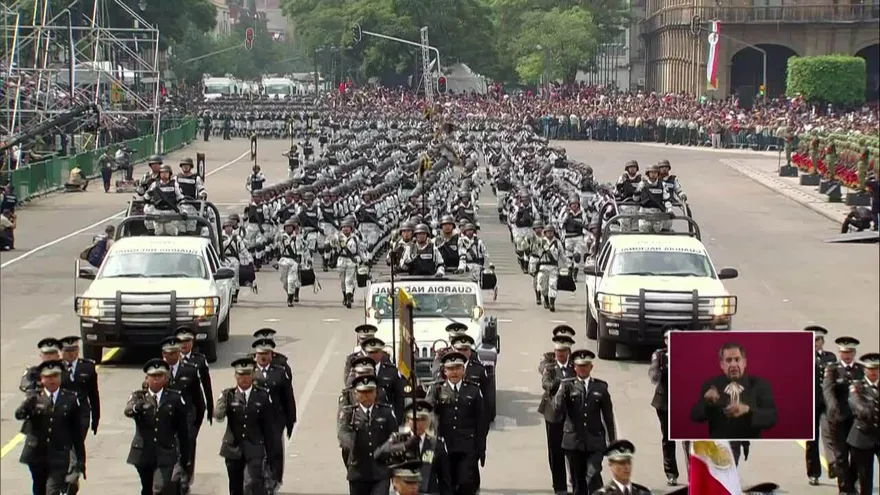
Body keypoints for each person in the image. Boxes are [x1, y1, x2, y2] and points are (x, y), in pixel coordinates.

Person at [15, 360, 86, 495]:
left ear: (60, 377)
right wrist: (27, 404)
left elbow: (76, 433)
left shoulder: (70, 399)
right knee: (39, 489)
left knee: (52, 491)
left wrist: (80, 461)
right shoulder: (35, 398)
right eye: (48, 377)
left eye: (55, 376)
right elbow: (19, 415)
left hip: (59, 455)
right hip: (37, 455)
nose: (52, 380)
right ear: (41, 379)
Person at [552, 349, 617, 495]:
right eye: (579, 366)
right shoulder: (568, 386)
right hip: (573, 442)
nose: (582, 369)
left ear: (591, 367)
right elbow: (557, 410)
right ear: (574, 367)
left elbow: (608, 417)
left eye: (585, 365)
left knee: (593, 475)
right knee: (577, 484)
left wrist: (612, 442)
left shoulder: (601, 387)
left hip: (595, 441)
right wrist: (561, 391)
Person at [123, 358, 190, 495]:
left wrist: (184, 457)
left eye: (160, 376)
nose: (156, 380)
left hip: (165, 452)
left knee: (159, 488)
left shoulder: (174, 398)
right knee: (147, 489)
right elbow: (128, 410)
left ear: (165, 378)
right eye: (153, 376)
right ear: (146, 379)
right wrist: (138, 407)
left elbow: (182, 430)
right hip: (143, 453)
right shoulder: (139, 396)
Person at [689, 342, 778, 444]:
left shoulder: (760, 385)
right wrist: (706, 401)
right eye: (728, 360)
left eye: (737, 359)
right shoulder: (711, 385)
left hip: (751, 446)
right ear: (722, 365)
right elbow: (695, 416)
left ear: (744, 363)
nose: (733, 364)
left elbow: (772, 418)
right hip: (720, 448)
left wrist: (747, 410)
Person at [214, 357, 276, 495]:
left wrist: (271, 454)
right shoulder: (228, 395)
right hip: (233, 448)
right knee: (235, 488)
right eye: (241, 374)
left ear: (253, 375)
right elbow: (218, 416)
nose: (244, 378)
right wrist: (222, 403)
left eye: (247, 374)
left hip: (254, 447)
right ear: (235, 376)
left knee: (252, 484)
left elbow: (268, 427)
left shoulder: (262, 396)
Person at [426, 352, 486, 495]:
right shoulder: (436, 389)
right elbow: (428, 417)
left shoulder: (473, 390)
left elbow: (481, 422)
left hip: (466, 447)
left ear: (463, 370)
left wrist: (480, 448)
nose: (454, 372)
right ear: (445, 371)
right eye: (450, 369)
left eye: (457, 368)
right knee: (447, 485)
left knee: (466, 483)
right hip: (444, 447)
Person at [374, 399, 453, 495]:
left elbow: (445, 479)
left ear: (428, 421)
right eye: (415, 420)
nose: (418, 424)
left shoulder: (436, 444)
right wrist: (405, 445)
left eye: (422, 419)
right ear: (408, 420)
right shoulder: (398, 438)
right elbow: (379, 454)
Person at [337, 374, 397, 495]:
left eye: (370, 391)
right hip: (358, 470)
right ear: (356, 394)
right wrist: (354, 443)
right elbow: (342, 433)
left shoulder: (386, 412)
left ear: (376, 393)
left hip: (380, 470)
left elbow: (394, 435)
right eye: (363, 392)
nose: (366, 395)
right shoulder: (350, 413)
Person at [159, 336, 206, 489]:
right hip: (166, 419)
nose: (171, 357)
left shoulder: (189, 370)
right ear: (162, 355)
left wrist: (196, 424)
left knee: (187, 447)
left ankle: (186, 474)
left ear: (179, 353)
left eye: (174, 353)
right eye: (168, 354)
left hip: (186, 417)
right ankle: (172, 478)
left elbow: (199, 401)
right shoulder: (158, 373)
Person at [252, 338, 297, 489]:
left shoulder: (279, 372)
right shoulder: (249, 373)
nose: (263, 357)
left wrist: (291, 420)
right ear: (255, 356)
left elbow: (288, 397)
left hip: (275, 420)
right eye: (260, 354)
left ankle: (275, 478)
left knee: (275, 451)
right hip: (255, 421)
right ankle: (259, 479)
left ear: (272, 355)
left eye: (266, 354)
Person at [823, 336, 864, 494]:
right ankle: (844, 488)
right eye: (843, 352)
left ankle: (852, 483)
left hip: (856, 420)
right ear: (839, 353)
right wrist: (832, 406)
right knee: (840, 456)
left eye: (849, 352)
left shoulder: (860, 370)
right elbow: (827, 390)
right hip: (838, 418)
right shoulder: (832, 369)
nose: (846, 355)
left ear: (854, 353)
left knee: (855, 455)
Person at [539, 334, 575, 495]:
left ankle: (575, 482)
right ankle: (559, 487)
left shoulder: (575, 365)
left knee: (574, 450)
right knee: (555, 452)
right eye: (558, 351)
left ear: (569, 351)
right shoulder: (550, 367)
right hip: (553, 414)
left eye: (564, 350)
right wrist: (560, 383)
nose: (561, 354)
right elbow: (545, 383)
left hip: (573, 413)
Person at [804, 325, 837, 485]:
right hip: (809, 404)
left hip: (826, 403)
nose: (814, 342)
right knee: (812, 440)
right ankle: (813, 472)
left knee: (829, 433)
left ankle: (833, 464)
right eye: (811, 339)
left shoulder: (830, 357)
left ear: (822, 341)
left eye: (817, 339)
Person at [847, 352, 880, 495]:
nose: (873, 372)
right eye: (870, 369)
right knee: (865, 476)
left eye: (876, 369)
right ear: (865, 370)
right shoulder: (857, 386)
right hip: (863, 436)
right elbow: (858, 406)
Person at [649, 330, 678, 486]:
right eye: (669, 339)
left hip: (682, 402)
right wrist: (661, 367)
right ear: (665, 341)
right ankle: (671, 473)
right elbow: (653, 377)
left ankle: (693, 471)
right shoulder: (659, 356)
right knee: (668, 438)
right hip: (664, 402)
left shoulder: (687, 355)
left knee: (688, 440)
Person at [58, 336, 100, 443]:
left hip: (81, 414)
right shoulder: (56, 369)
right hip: (62, 414)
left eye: (73, 350)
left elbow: (93, 395)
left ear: (78, 350)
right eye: (67, 351)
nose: (71, 354)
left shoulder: (88, 367)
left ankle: (77, 460)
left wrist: (95, 419)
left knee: (77, 444)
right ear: (61, 352)